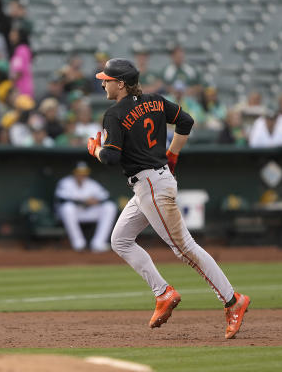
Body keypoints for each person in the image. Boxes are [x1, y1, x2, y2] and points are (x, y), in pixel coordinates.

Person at [87, 58, 250, 338]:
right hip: (152, 182)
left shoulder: (114, 114)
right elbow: (186, 121)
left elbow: (111, 157)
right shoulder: (154, 100)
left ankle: (233, 300)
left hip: (150, 184)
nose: (103, 83)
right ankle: (163, 292)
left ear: (121, 83)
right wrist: (172, 154)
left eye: (107, 79)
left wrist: (95, 151)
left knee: (184, 247)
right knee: (120, 240)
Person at [55, 161, 117, 252]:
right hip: (72, 213)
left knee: (110, 207)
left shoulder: (92, 183)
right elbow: (61, 199)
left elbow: (107, 197)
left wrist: (96, 201)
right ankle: (78, 244)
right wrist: (83, 201)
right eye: (79, 172)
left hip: (88, 212)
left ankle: (98, 243)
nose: (82, 175)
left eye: (84, 173)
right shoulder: (65, 182)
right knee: (68, 208)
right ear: (74, 172)